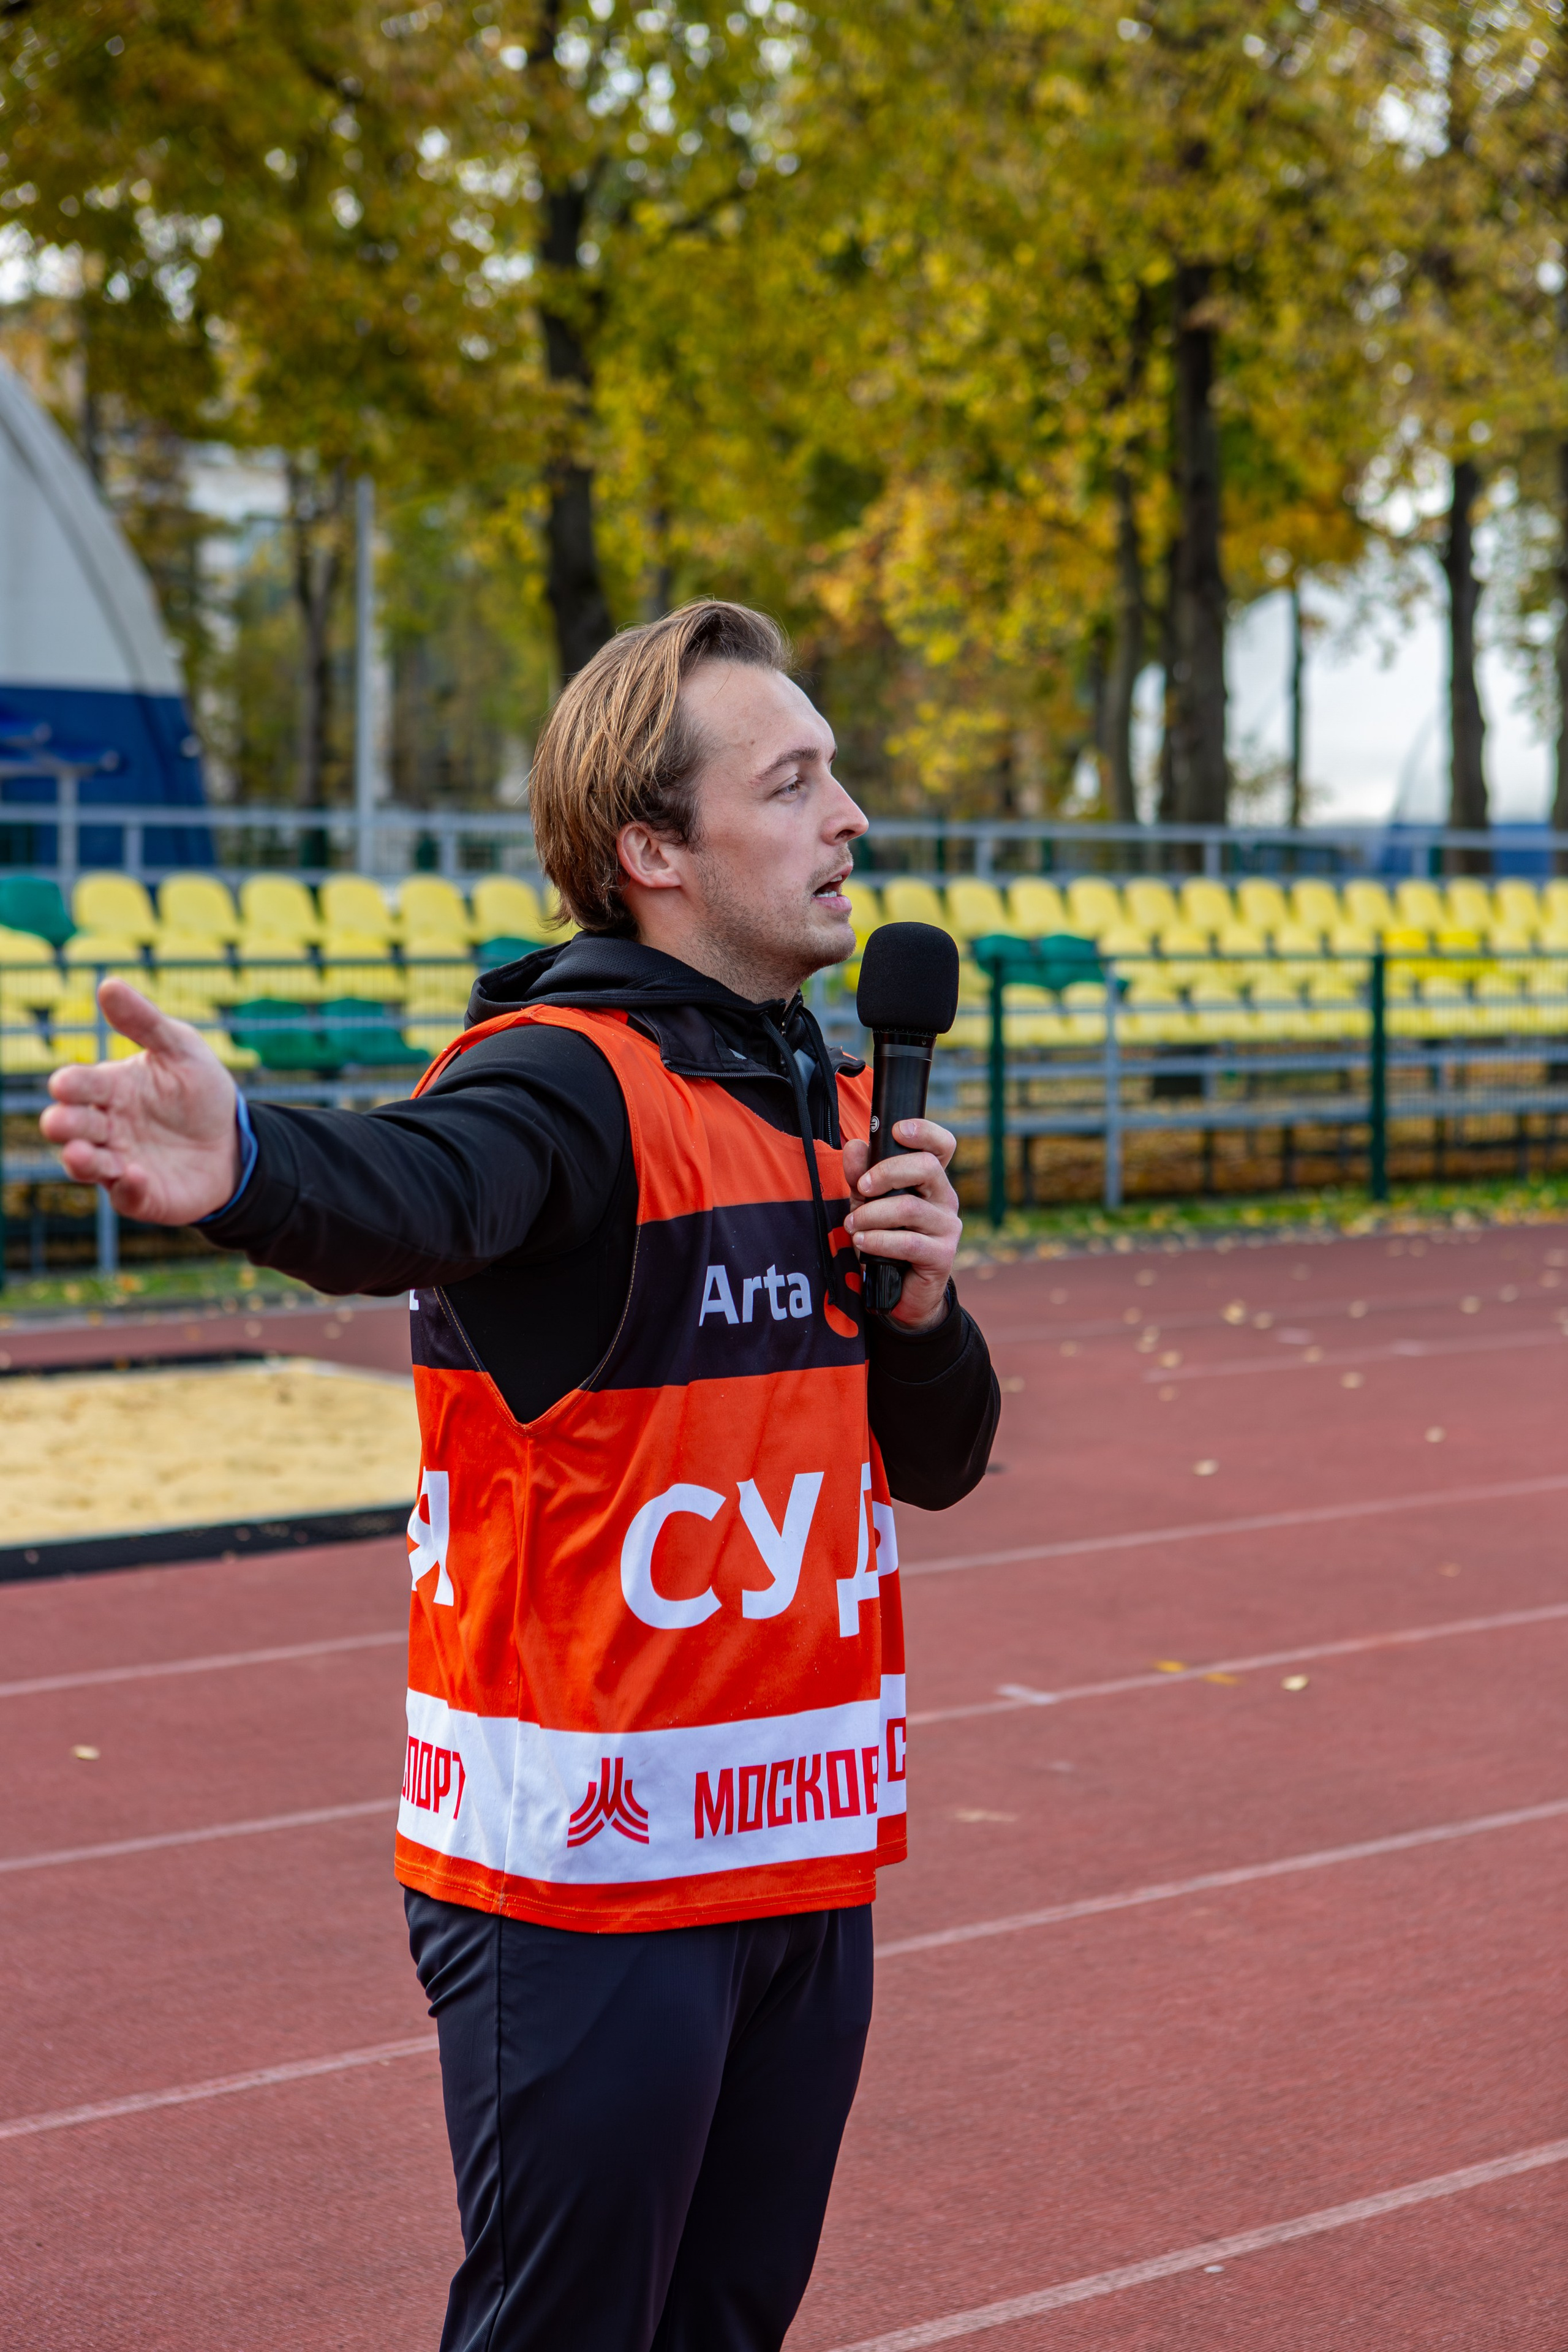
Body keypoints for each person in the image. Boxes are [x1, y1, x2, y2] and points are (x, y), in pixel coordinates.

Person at [42, 600, 999, 2352]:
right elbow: (418, 1189)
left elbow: (937, 1463)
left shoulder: (828, 1096)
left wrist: (925, 1315)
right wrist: (248, 1156)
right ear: (652, 851)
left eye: (837, 775)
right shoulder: (564, 1080)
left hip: (797, 1862)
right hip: (586, 1880)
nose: (850, 818)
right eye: (792, 785)